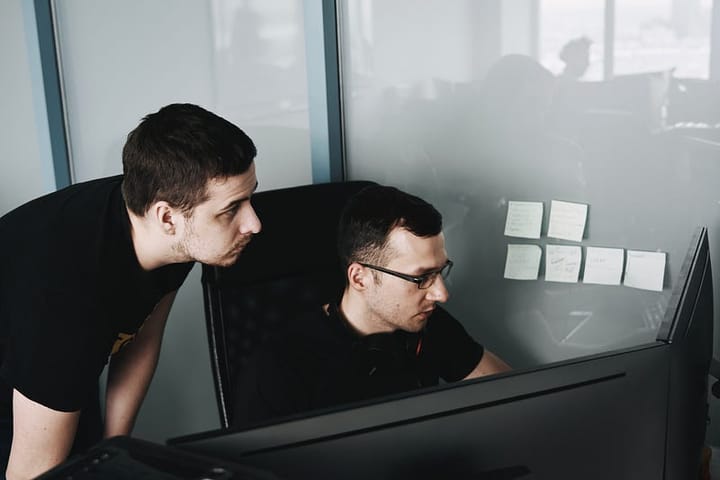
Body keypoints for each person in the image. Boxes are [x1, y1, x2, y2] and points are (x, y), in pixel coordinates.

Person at [0, 103, 262, 479]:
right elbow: (31, 472)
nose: (254, 222)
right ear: (167, 217)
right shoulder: (67, 306)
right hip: (32, 361)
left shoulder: (174, 233)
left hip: (48, 360)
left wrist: (113, 451)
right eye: (232, 208)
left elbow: (141, 337)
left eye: (250, 197)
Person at [232, 185, 510, 427]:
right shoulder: (278, 370)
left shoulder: (427, 322)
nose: (441, 293)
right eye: (421, 277)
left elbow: (512, 394)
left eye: (440, 271)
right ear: (360, 278)